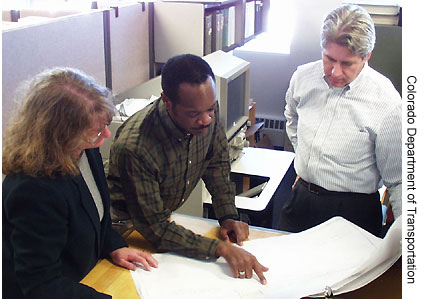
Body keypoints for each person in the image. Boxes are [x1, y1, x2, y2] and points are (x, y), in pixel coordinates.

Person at [107, 54, 268, 284]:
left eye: (211, 110)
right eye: (194, 114)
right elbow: (156, 228)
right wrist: (220, 249)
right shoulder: (135, 146)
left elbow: (216, 163)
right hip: (124, 234)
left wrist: (228, 217)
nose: (206, 119)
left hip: (158, 224)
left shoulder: (206, 108)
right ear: (167, 101)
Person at [2, 67, 158, 299]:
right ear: (60, 136)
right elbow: (41, 284)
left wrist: (113, 245)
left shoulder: (83, 149)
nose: (106, 135)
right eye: (96, 132)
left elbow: (95, 215)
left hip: (87, 277)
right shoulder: (32, 189)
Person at [279, 4, 402, 237]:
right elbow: (291, 116)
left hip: (353, 212)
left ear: (366, 57)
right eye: (329, 59)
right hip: (301, 198)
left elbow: (398, 181)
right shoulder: (302, 78)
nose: (335, 72)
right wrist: (306, 157)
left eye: (347, 64)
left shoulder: (387, 102)